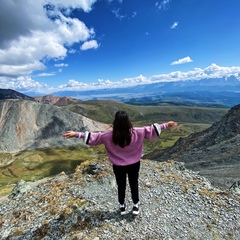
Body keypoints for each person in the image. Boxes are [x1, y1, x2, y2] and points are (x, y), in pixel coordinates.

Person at [63, 110, 178, 216]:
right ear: (128, 122)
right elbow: (152, 130)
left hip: (118, 166)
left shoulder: (108, 136)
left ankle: (122, 206)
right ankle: (135, 206)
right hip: (134, 164)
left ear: (115, 123)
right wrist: (167, 125)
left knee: (121, 185)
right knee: (134, 183)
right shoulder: (138, 132)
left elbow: (94, 137)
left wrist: (76, 134)